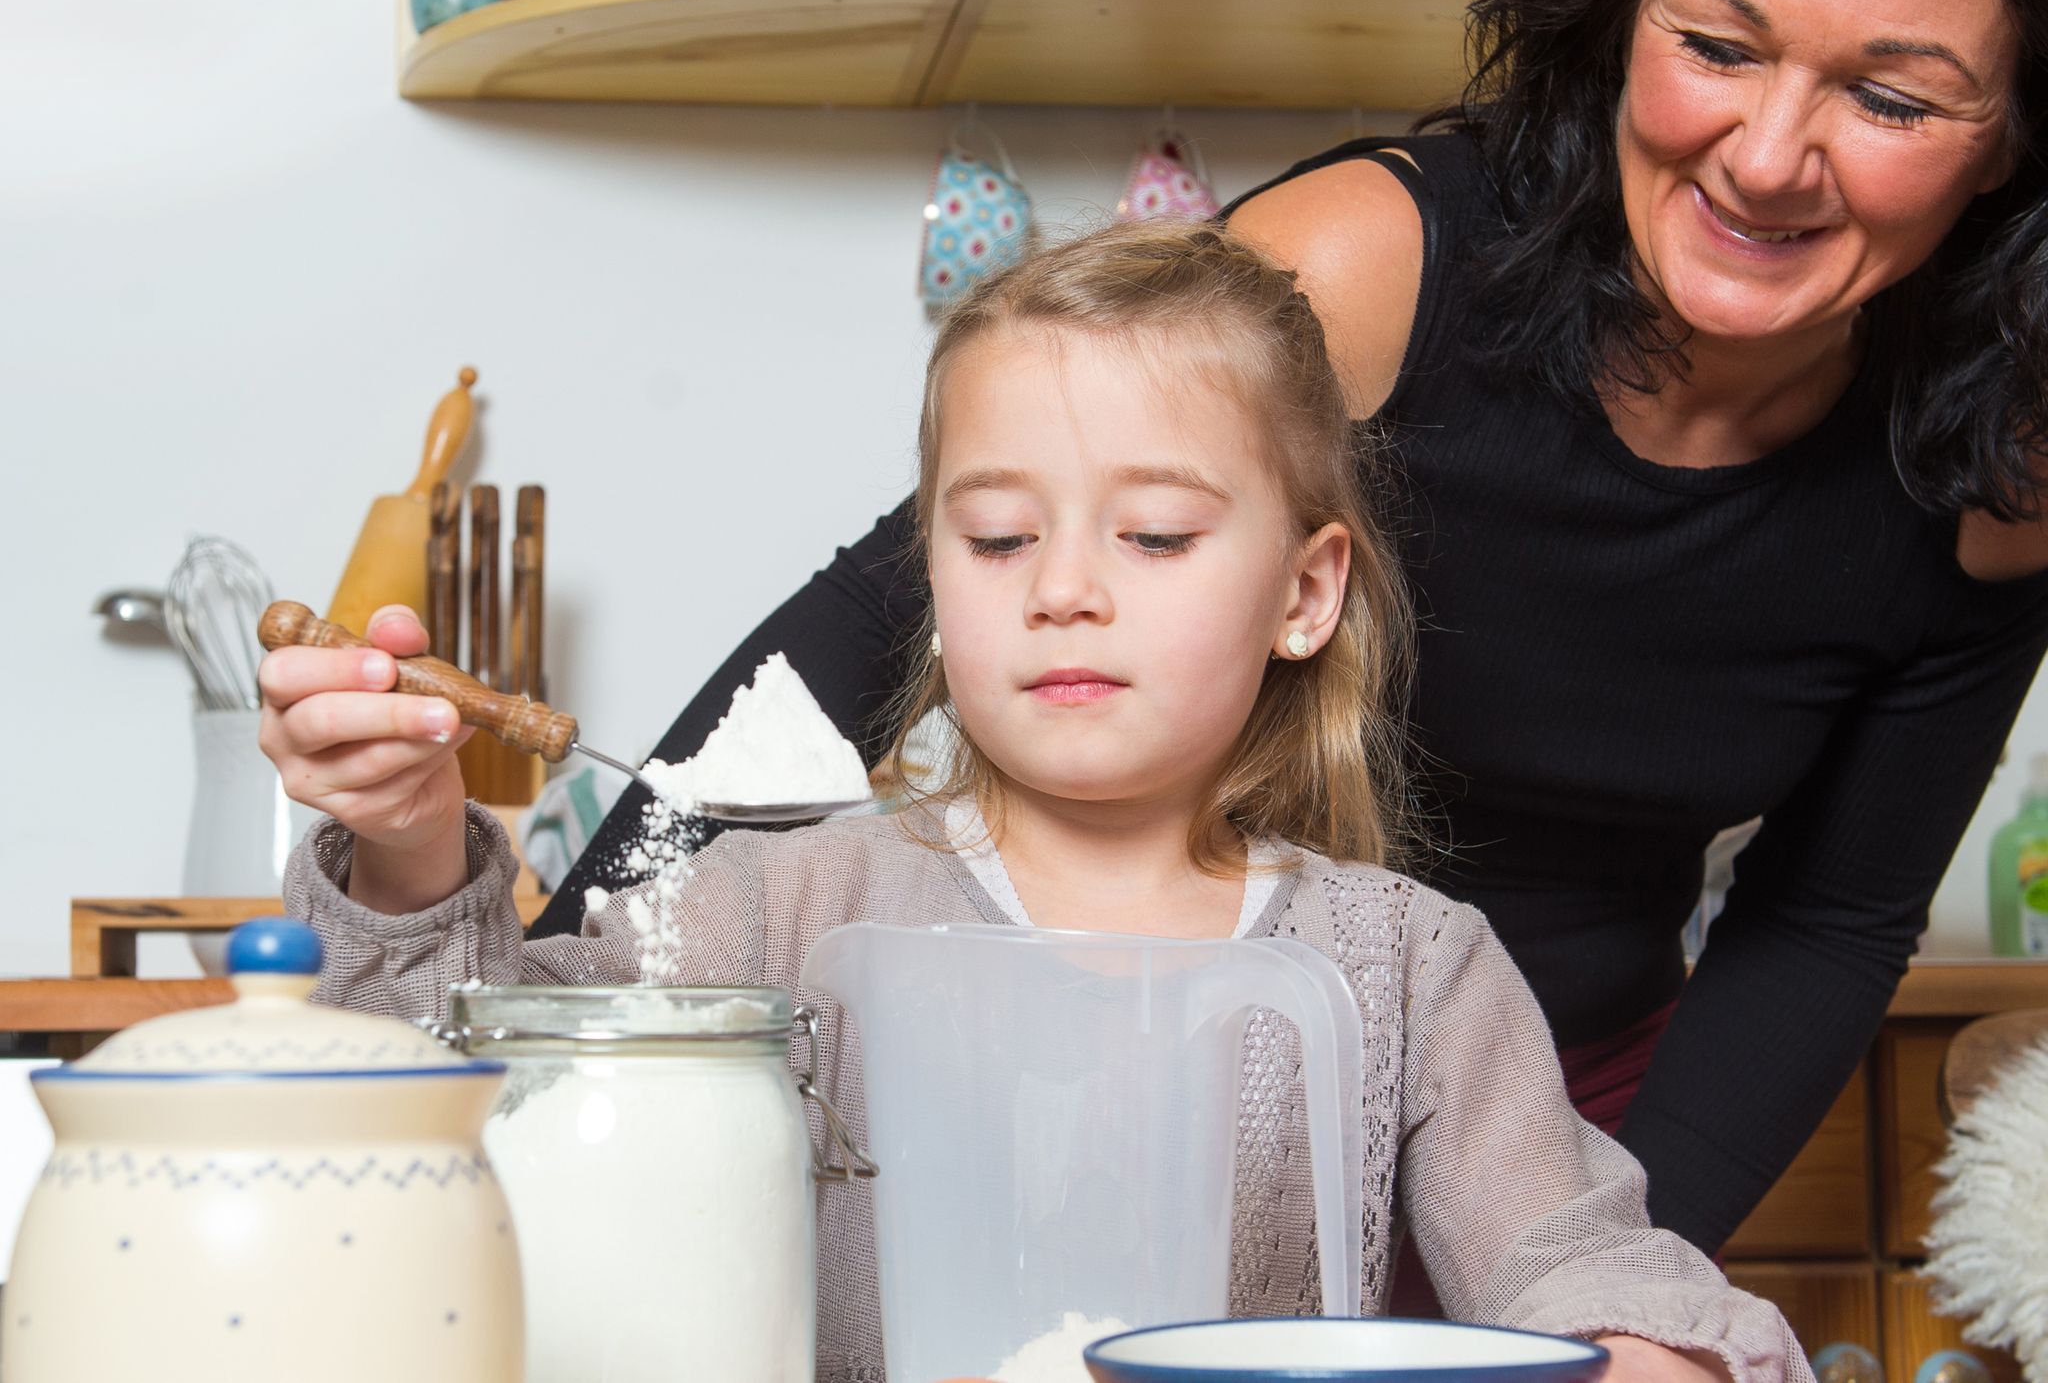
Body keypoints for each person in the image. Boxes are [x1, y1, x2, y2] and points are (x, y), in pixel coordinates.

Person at [540, 0, 2048, 1256]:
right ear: (1615, 20)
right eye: (1716, 47)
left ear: (2014, 138)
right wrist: (553, 1023)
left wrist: (1609, 1274)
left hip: (1566, 1121)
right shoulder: (1365, 271)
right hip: (1178, 1086)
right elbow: (870, 627)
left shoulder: (2004, 468)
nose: (1769, 155)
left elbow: (1830, 918)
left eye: (1895, 102)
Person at [262, 224, 1807, 1383]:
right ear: (931, 580)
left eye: (1151, 534)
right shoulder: (769, 909)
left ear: (1305, 590)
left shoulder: (1408, 961)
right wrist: (406, 837)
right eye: (998, 539)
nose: (1064, 589)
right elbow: (467, 1103)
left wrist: (1647, 1350)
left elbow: (1573, 1258)